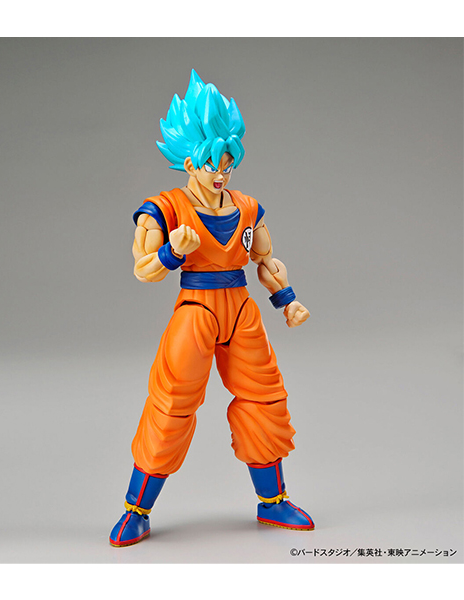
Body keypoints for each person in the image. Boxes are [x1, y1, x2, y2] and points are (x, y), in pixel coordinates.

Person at [110, 70, 314, 547]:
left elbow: (266, 260)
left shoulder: (247, 207)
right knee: (172, 402)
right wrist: (171, 253)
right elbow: (143, 270)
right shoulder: (164, 209)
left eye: (227, 161)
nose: (221, 172)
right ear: (189, 161)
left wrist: (287, 300)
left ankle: (272, 501)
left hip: (240, 308)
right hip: (196, 309)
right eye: (210, 162)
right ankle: (137, 509)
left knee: (264, 397)